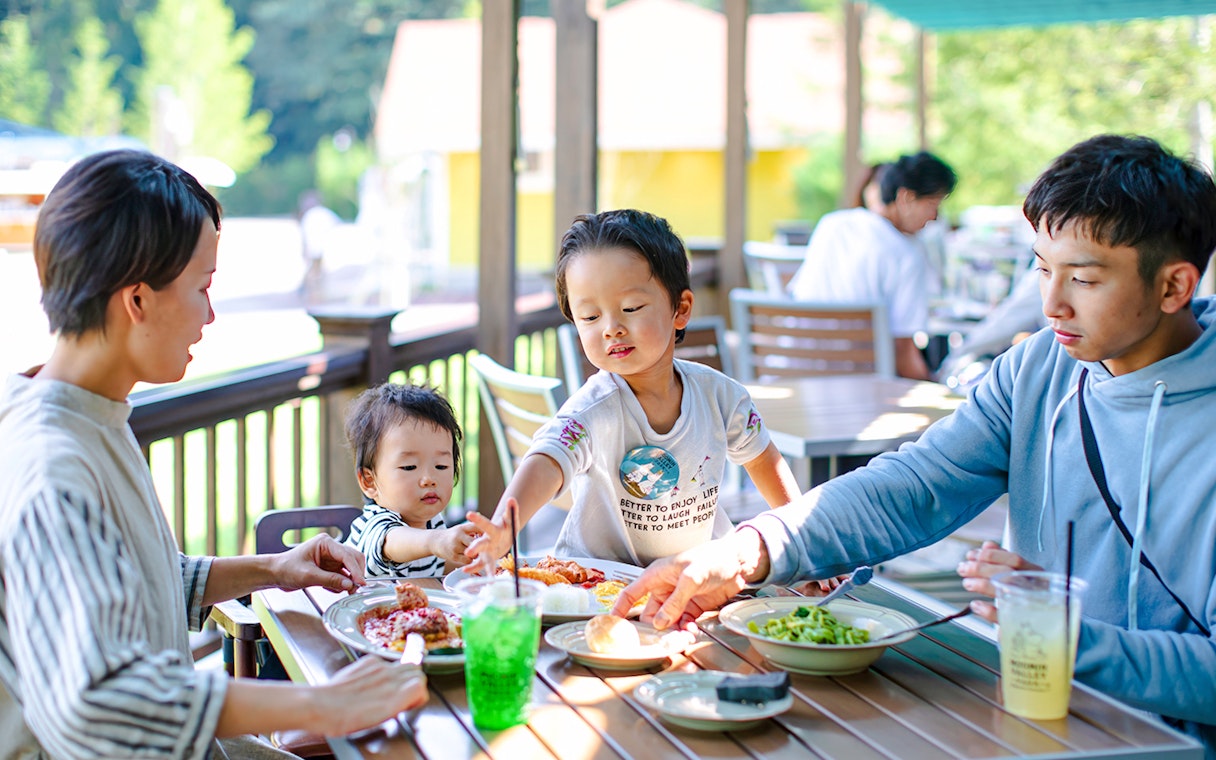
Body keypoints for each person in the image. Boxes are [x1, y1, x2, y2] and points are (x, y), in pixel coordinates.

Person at [615, 134, 1216, 756]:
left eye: (1084, 280)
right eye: (1042, 269)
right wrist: (748, 550)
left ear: (1174, 286)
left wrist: (1068, 639)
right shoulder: (1037, 369)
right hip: (1030, 717)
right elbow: (916, 485)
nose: (1051, 304)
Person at [0, 150, 427, 759]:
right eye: (202, 287)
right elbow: (100, 701)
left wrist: (276, 568)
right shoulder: (53, 465)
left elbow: (143, 582)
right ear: (137, 301)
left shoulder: (83, 410)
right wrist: (325, 703)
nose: (211, 313)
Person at [464, 209, 802, 571]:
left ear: (681, 309)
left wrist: (803, 544)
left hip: (692, 580)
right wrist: (505, 526)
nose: (611, 328)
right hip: (598, 584)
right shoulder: (592, 410)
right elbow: (548, 460)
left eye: (630, 307)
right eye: (590, 317)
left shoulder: (721, 398)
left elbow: (764, 460)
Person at [787, 151, 958, 380]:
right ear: (906, 197)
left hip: (798, 375)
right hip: (859, 384)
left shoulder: (831, 224)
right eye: (932, 204)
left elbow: (797, 294)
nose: (935, 216)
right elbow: (903, 354)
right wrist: (936, 386)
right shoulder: (906, 254)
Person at [343, 382, 479, 576]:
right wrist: (438, 541)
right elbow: (392, 542)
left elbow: (438, 566)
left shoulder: (432, 521)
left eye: (441, 466)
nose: (429, 479)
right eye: (409, 467)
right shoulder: (375, 524)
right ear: (369, 481)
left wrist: (471, 556)